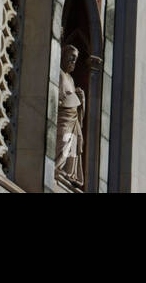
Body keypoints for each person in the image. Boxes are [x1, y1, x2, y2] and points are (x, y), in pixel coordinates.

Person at [56, 44, 85, 186]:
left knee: (77, 140)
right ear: (64, 55)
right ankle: (58, 167)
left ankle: (69, 173)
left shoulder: (71, 79)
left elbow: (73, 99)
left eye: (76, 59)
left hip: (73, 117)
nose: (73, 61)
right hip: (64, 116)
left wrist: (81, 98)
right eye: (71, 57)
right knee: (63, 139)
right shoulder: (59, 73)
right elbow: (59, 96)